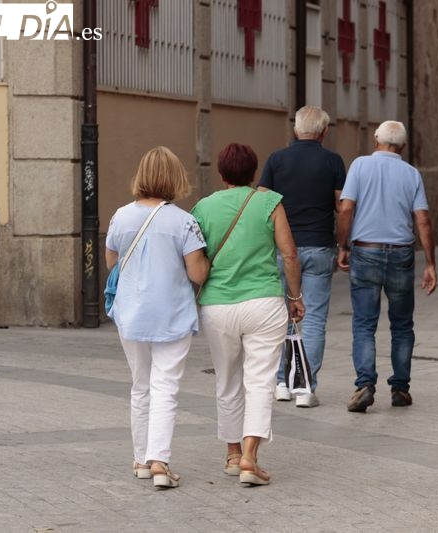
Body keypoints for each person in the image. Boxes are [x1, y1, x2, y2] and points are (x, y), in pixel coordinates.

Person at [191, 143, 305, 486]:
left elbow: (195, 259)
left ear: (222, 174)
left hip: (218, 305)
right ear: (254, 172)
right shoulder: (270, 202)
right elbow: (289, 255)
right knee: (260, 381)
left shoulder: (203, 207)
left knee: (227, 380)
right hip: (264, 304)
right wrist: (295, 296)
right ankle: (251, 458)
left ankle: (232, 454)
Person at [105, 146, 210, 489]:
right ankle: (160, 463)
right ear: (175, 178)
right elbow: (197, 274)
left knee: (141, 386)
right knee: (165, 388)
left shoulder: (120, 216)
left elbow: (112, 263)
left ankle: (140, 460)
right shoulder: (184, 222)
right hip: (172, 316)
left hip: (132, 315)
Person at [336, 120, 437, 412]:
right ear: (403, 147)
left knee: (364, 323)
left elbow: (345, 209)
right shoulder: (411, 173)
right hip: (401, 254)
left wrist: (342, 246)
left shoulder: (359, 166)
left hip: (365, 251)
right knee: (402, 324)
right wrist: (430, 263)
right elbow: (423, 220)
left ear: (376, 140)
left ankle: (365, 385)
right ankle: (401, 389)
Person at [258, 105, 346, 408]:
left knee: (280, 318)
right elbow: (341, 207)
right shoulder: (333, 161)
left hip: (283, 249)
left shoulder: (276, 160)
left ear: (296, 129)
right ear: (324, 131)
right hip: (320, 247)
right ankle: (306, 388)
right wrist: (344, 242)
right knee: (314, 319)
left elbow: (262, 205)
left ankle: (282, 383)